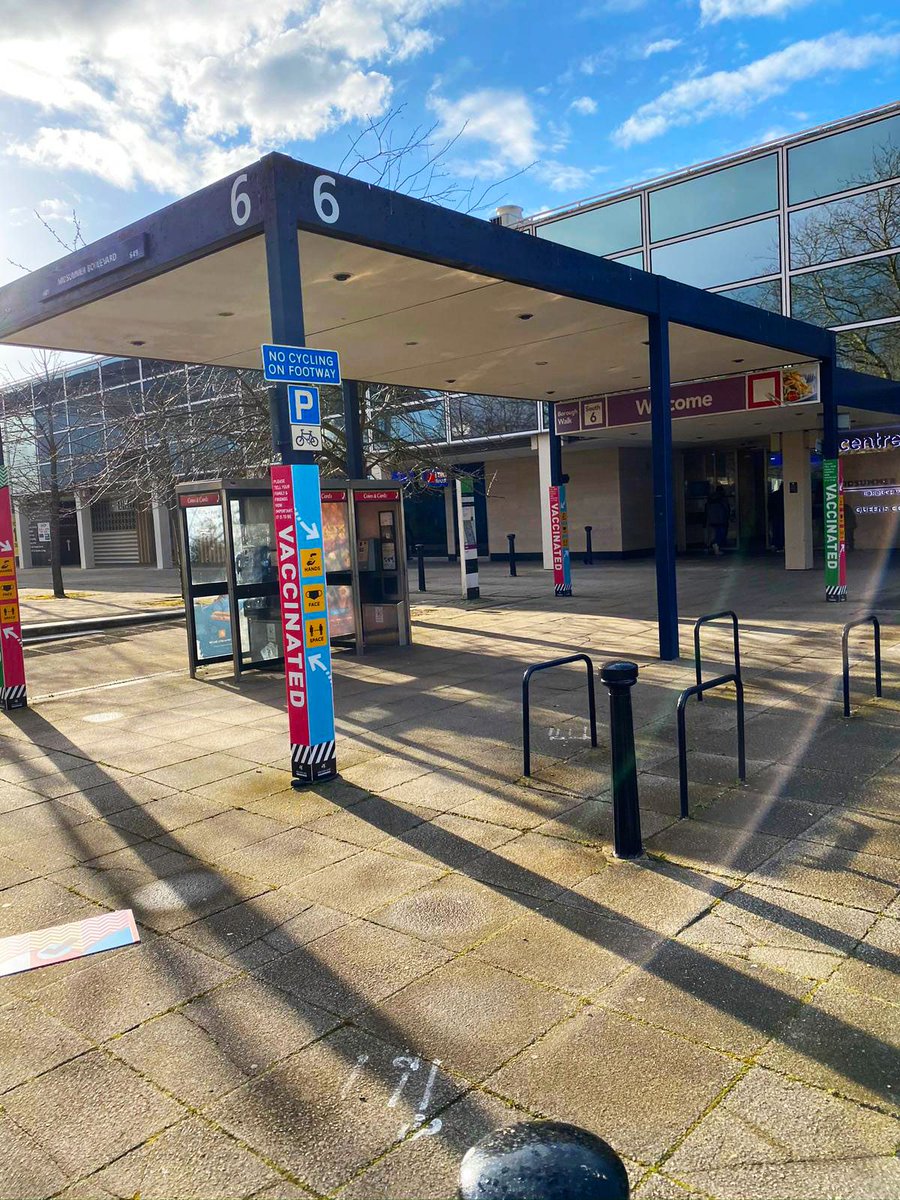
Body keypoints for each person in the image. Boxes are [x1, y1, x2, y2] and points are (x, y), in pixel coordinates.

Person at [705, 486, 730, 556]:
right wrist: (728, 517)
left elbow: (707, 508)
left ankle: (710, 546)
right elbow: (726, 508)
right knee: (721, 533)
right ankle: (716, 546)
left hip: (712, 519)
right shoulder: (723, 498)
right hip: (721, 518)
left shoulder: (710, 498)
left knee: (713, 533)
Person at [768, 484, 785, 552]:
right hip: (781, 515)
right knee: (781, 530)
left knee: (776, 530)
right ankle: (781, 545)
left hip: (775, 515)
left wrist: (770, 515)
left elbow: (769, 506)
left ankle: (775, 545)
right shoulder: (785, 495)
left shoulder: (773, 495)